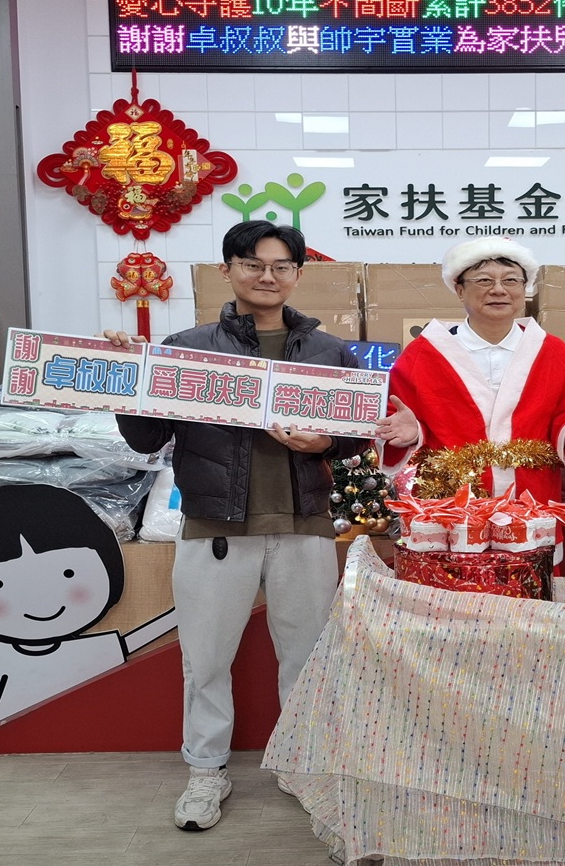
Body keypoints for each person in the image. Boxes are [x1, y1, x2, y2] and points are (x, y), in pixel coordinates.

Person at [105, 221, 371, 832]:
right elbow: (147, 438)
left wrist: (327, 441)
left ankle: (303, 766)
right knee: (206, 659)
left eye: (281, 266)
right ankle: (206, 771)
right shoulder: (187, 349)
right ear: (227, 270)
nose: (267, 276)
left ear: (297, 274)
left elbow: (355, 435)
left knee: (307, 657)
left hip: (304, 524)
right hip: (215, 526)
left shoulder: (330, 351)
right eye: (252, 264)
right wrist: (127, 378)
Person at [376, 237, 565, 502]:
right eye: (484, 280)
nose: (498, 290)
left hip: (532, 500)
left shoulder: (554, 352)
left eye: (511, 280)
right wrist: (411, 433)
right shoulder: (423, 353)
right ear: (460, 289)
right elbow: (394, 415)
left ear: (524, 288)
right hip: (448, 501)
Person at [0, 485, 177, 731]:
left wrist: (179, 615)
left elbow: (132, 643)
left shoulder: (83, 648)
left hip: (85, 727)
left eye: (68, 573)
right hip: (16, 733)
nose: (42, 603)